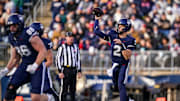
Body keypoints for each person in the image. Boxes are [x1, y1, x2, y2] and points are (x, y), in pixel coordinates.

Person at [0, 14, 47, 101]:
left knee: (35, 97)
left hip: (37, 64)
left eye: (14, 25)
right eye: (10, 26)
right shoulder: (12, 37)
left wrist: (35, 65)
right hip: (24, 64)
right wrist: (6, 69)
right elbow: (15, 58)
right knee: (10, 87)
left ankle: (50, 98)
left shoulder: (28, 34)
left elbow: (43, 51)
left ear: (20, 24)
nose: (12, 28)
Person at [94, 15, 136, 101]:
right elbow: (97, 32)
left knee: (121, 84)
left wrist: (122, 44)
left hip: (123, 64)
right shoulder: (113, 35)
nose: (119, 27)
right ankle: (128, 99)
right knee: (116, 86)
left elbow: (127, 56)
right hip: (114, 64)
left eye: (121, 26)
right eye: (119, 25)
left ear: (126, 28)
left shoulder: (130, 40)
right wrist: (97, 20)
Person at [30, 22, 59, 101]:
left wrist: (37, 66)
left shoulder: (45, 42)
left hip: (42, 72)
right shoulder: (28, 42)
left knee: (47, 92)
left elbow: (50, 61)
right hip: (31, 72)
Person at [56, 32, 82, 101]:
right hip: (66, 69)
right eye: (69, 37)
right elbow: (58, 59)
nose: (71, 38)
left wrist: (79, 71)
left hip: (73, 70)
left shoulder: (75, 47)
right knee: (64, 89)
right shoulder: (62, 47)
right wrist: (59, 71)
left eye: (72, 37)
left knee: (73, 90)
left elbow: (78, 59)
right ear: (66, 38)